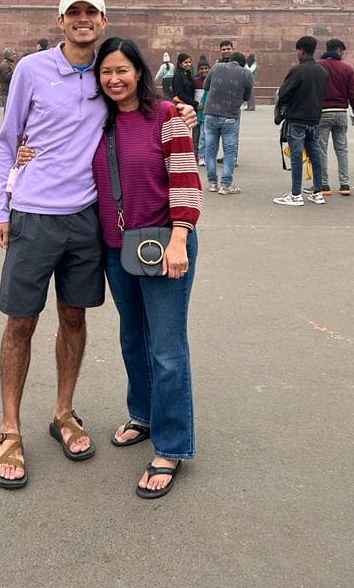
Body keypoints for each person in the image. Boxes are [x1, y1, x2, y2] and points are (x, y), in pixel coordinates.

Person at [0, 0, 195, 489]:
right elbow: (8, 139)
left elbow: (159, 125)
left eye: (91, 12)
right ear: (61, 20)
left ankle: (65, 413)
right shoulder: (32, 70)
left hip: (90, 221)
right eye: (73, 12)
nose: (82, 19)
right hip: (34, 216)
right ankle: (10, 430)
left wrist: (184, 112)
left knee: (75, 318)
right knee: (22, 323)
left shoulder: (120, 93)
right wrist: (1, 207)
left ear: (103, 20)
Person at [92, 37, 202, 498]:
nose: (114, 80)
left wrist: (180, 237)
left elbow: (185, 179)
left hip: (164, 245)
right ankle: (144, 412)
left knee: (167, 348)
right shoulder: (94, 120)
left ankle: (173, 444)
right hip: (117, 248)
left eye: (122, 70)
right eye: (105, 72)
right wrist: (24, 154)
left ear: (139, 72)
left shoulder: (166, 118)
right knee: (133, 337)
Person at [273, 36, 329, 206]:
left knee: (296, 156)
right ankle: (318, 192)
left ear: (301, 51)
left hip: (297, 119)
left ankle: (296, 194)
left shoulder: (297, 71)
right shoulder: (323, 72)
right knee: (316, 156)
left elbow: (283, 94)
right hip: (314, 119)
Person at [315, 39, 354, 196]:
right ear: (339, 50)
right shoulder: (346, 68)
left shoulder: (318, 66)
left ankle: (324, 185)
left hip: (322, 112)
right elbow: (353, 94)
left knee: (321, 149)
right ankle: (344, 184)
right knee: (342, 149)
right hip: (341, 111)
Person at [202, 51, 253, 194]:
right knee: (229, 151)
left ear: (230, 60)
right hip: (230, 116)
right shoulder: (246, 73)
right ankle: (226, 185)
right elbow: (247, 96)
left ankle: (212, 183)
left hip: (210, 114)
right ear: (242, 63)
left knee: (210, 151)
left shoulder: (217, 67)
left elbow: (206, 86)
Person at [193, 56, 210, 165]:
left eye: (206, 68)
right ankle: (195, 154)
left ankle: (204, 155)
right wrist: (195, 105)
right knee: (195, 134)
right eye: (202, 68)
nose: (204, 70)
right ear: (198, 70)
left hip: (207, 111)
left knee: (205, 135)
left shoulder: (211, 81)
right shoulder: (195, 82)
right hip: (196, 110)